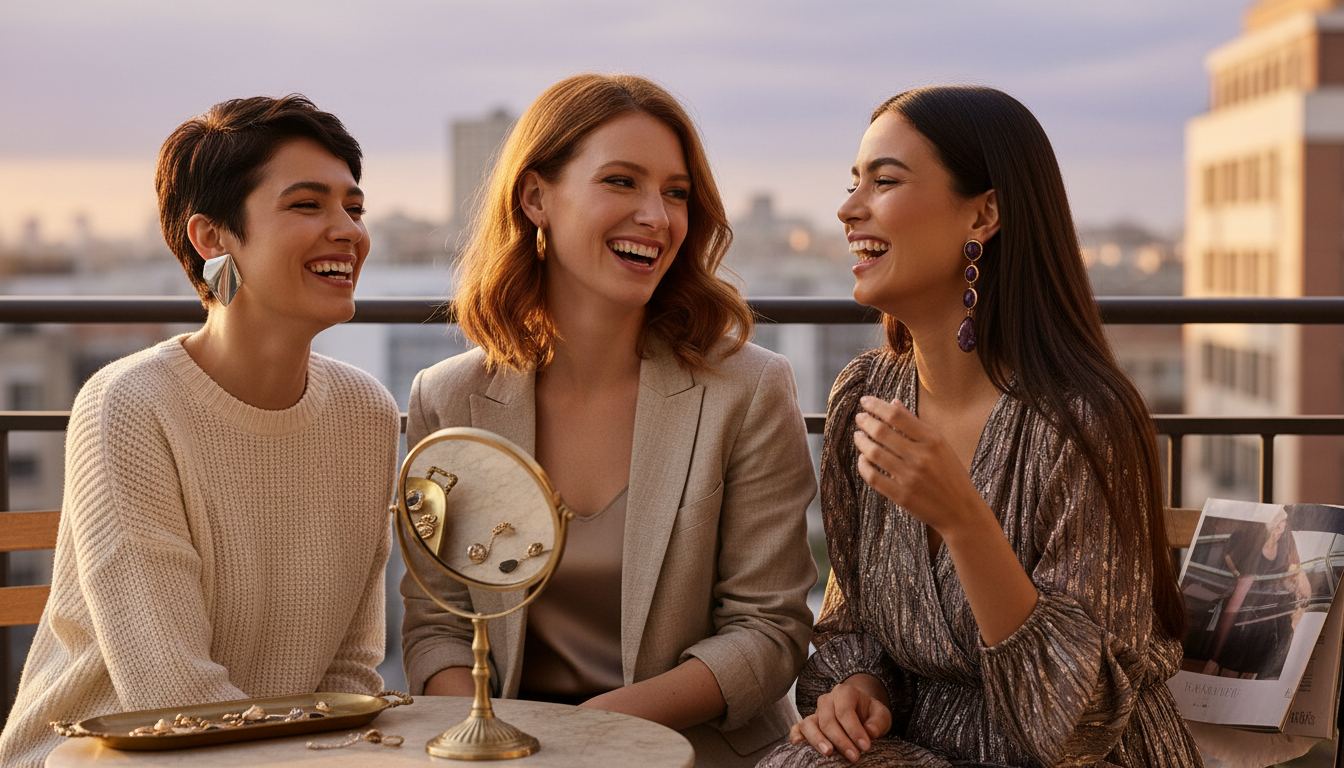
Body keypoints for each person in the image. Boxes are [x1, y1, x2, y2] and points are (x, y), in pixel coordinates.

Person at [759, 86, 1202, 767]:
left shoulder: (1083, 421)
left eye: (884, 181)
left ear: (985, 212)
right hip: (916, 742)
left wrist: (965, 520)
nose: (848, 210)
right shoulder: (865, 395)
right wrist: (858, 683)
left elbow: (1079, 725)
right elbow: (850, 618)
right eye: (853, 183)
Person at [399, 74, 817, 767]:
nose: (657, 216)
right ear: (536, 197)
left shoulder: (748, 388)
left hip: (697, 752)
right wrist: (489, 737)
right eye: (621, 182)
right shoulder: (449, 396)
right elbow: (437, 626)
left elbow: (768, 631)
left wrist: (591, 735)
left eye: (676, 193)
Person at [0, 95, 399, 768]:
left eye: (353, 208)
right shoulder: (129, 407)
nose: (349, 231)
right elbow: (174, 698)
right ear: (210, 238)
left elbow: (351, 678)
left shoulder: (368, 413)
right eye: (308, 205)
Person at [1203, 509, 1310, 680]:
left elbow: (1298, 569)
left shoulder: (1286, 539)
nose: (1281, 529)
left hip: (1277, 610)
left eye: (1283, 525)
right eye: (1277, 526)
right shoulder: (1252, 556)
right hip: (1253, 617)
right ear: (1267, 528)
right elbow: (1235, 603)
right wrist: (1215, 657)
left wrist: (1306, 595)